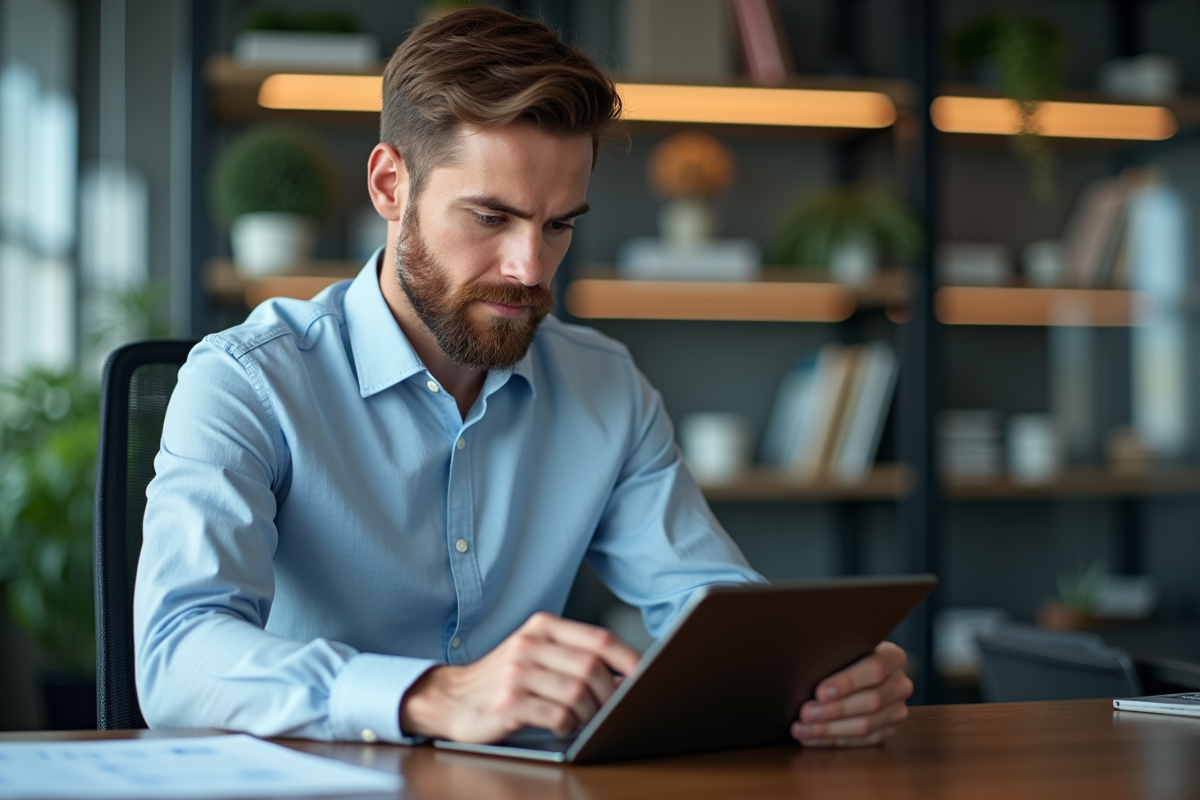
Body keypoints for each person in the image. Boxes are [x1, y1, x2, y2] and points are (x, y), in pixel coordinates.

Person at [134, 7, 912, 749]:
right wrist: (431, 695)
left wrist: (819, 678)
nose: (529, 269)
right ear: (389, 187)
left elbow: (708, 606)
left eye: (559, 224)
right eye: (490, 217)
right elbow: (176, 656)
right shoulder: (246, 382)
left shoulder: (607, 388)